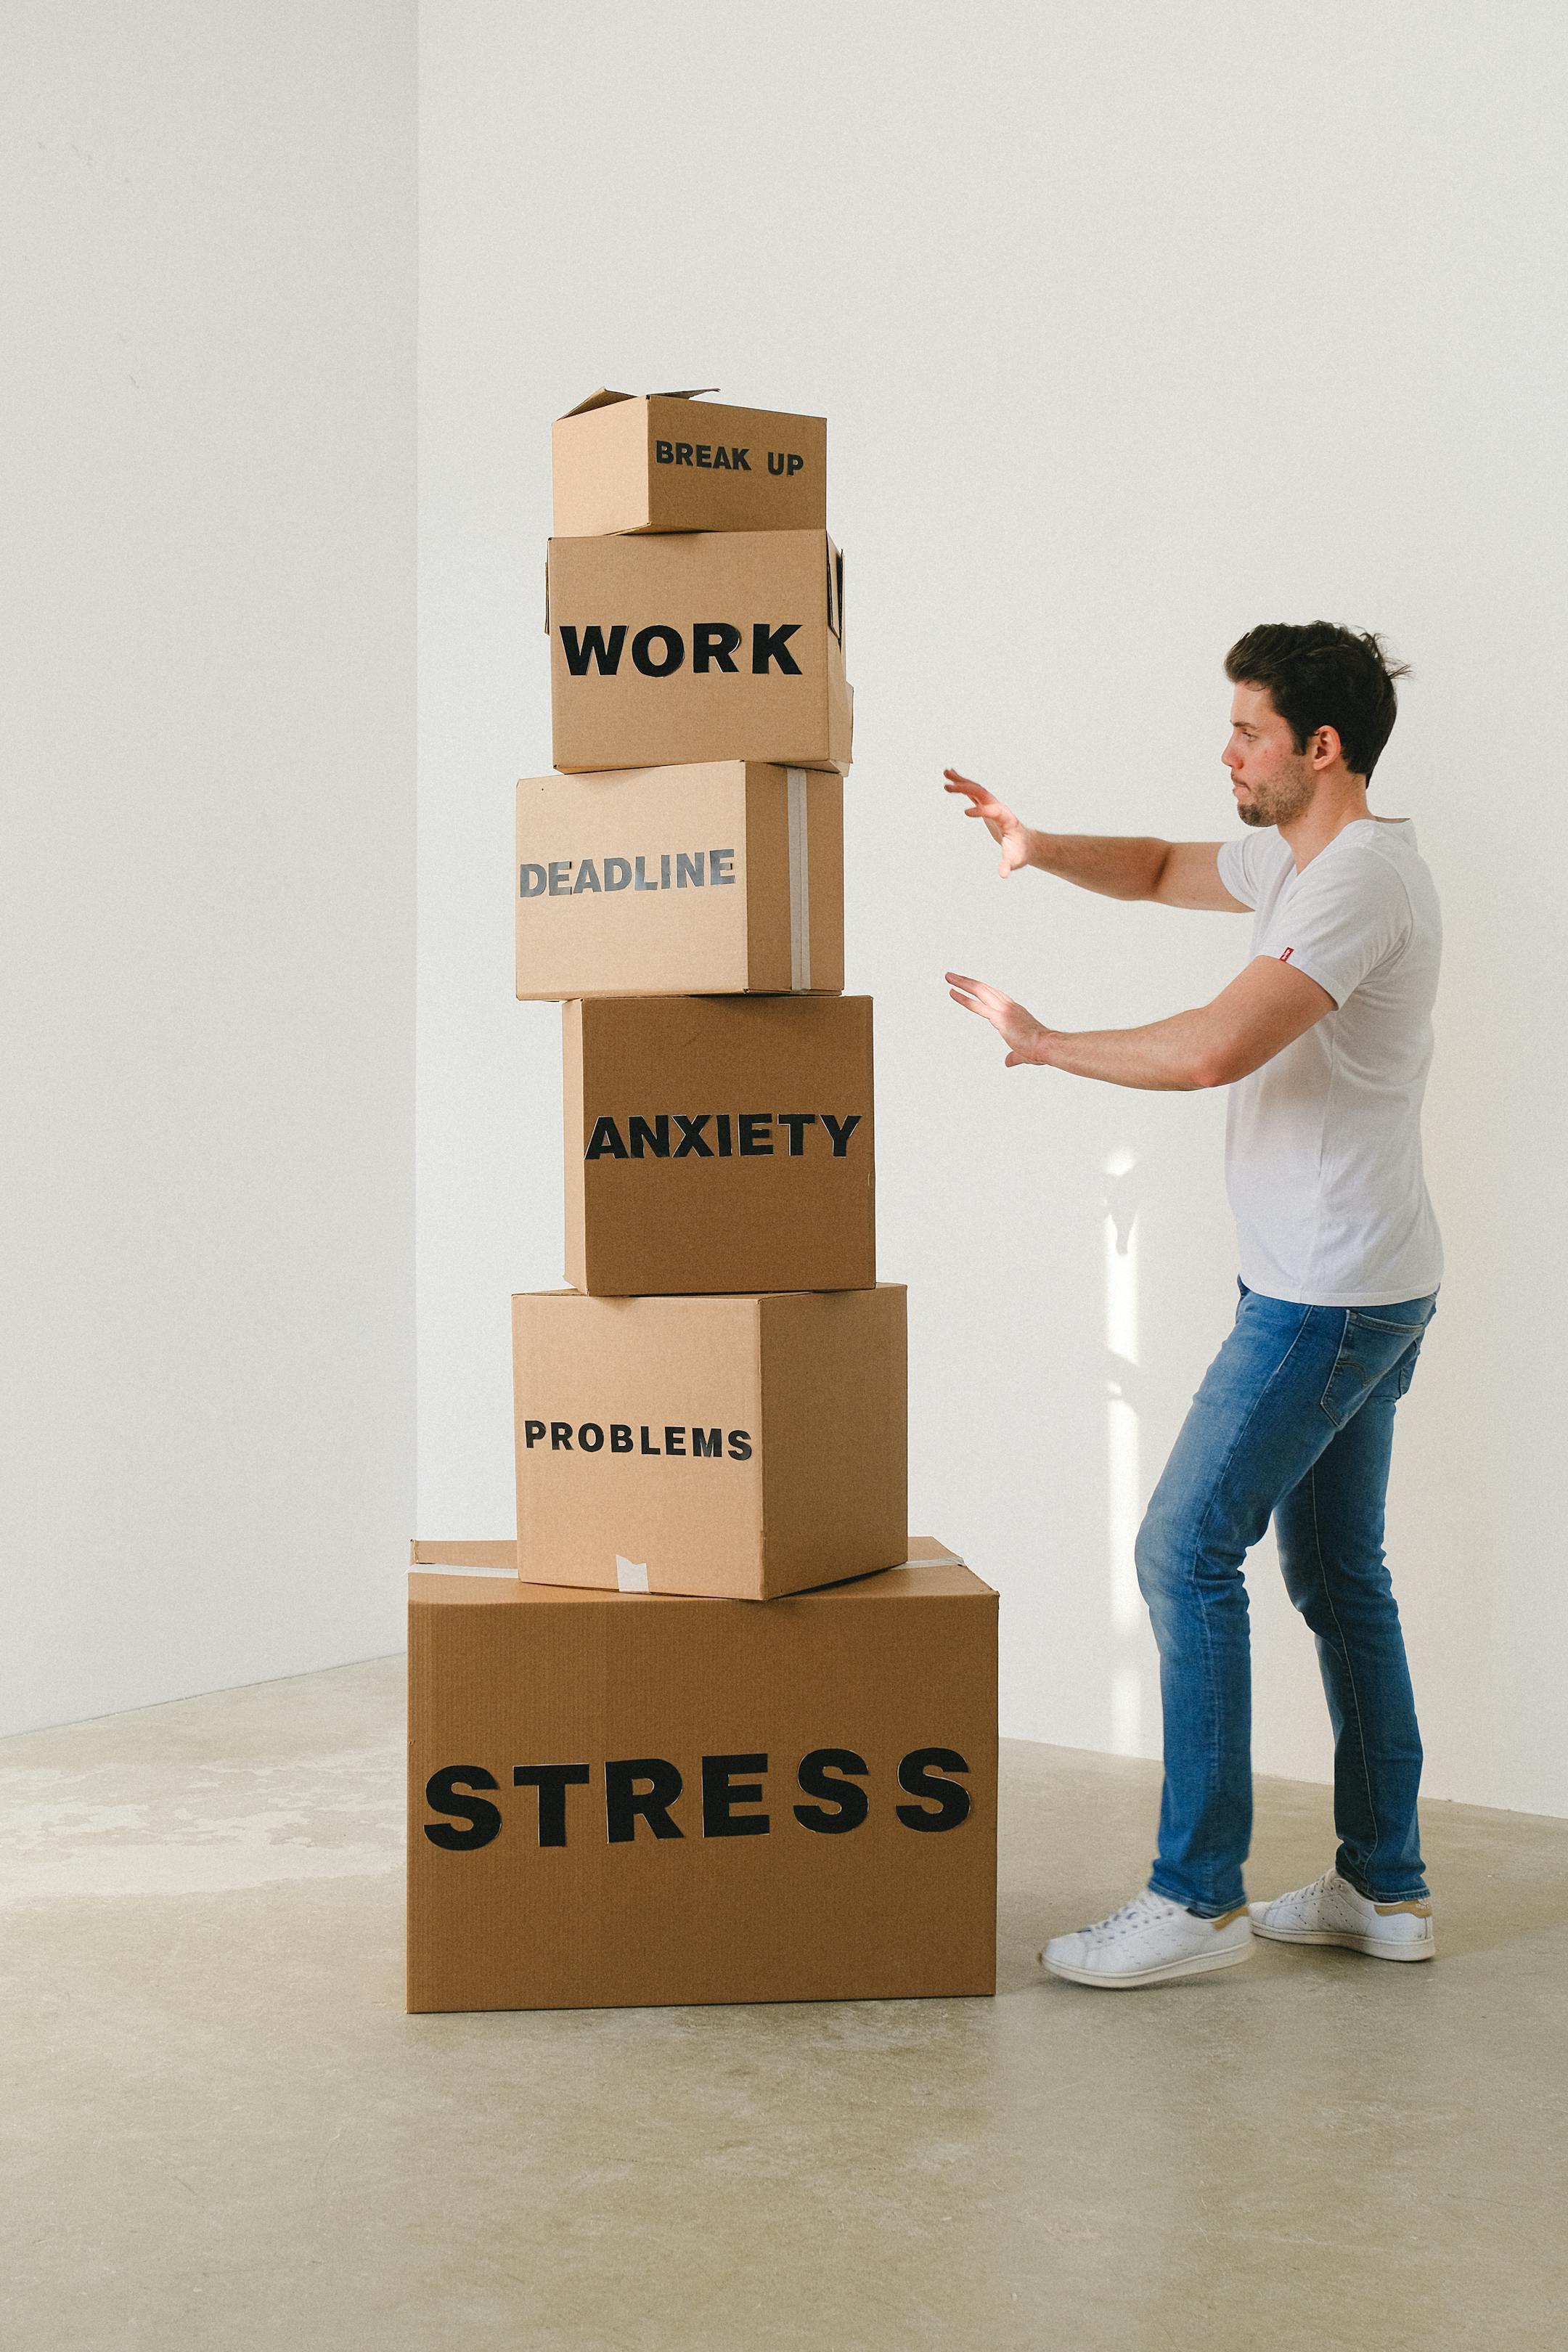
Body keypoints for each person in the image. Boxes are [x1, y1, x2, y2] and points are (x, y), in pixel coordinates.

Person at [946, 621, 1442, 1988]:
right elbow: (1167, 867)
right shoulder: (1299, 861)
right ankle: (1384, 1890)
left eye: (1247, 731)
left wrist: (1048, 1043)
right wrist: (1037, 845)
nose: (1226, 753)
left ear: (1319, 748)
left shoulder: (1358, 883)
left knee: (1183, 1551)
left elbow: (1218, 1046)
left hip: (1323, 1295)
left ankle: (1195, 1899)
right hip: (1358, 1276)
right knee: (1339, 1577)